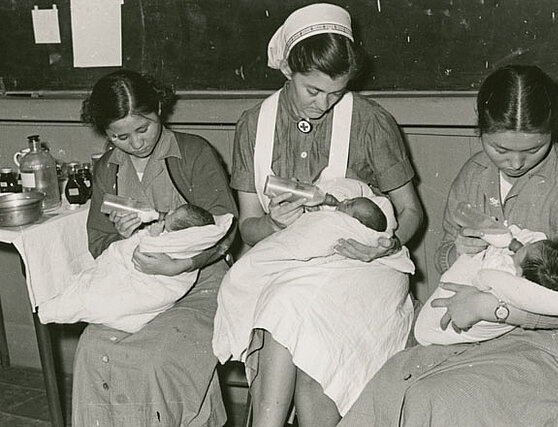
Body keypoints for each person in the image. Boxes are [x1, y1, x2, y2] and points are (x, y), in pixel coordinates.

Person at [338, 65, 558, 426]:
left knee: (433, 397)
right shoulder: (474, 174)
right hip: (473, 333)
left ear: (554, 131)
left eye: (534, 148)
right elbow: (442, 257)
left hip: (553, 351)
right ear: (480, 130)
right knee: (390, 382)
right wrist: (459, 251)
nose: (515, 162)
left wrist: (492, 308)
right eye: (500, 148)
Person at [231, 3, 423, 425]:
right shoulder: (253, 125)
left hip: (363, 263)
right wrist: (275, 223)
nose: (324, 103)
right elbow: (248, 225)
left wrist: (387, 244)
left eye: (336, 92)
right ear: (287, 71)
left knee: (297, 329)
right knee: (287, 303)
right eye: (312, 91)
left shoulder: (370, 121)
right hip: (287, 260)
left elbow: (410, 211)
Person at [73, 69, 238, 426]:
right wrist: (125, 240)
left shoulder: (193, 153)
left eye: (143, 129)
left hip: (200, 283)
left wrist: (182, 264)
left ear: (159, 109)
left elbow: (225, 233)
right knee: (92, 350)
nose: (136, 143)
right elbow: (99, 243)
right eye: (120, 137)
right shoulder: (108, 169)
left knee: (151, 359)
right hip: (137, 286)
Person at [38, 204, 234, 334]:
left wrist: (159, 244)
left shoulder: (180, 242)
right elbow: (103, 244)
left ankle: (54, 309)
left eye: (172, 214)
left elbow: (151, 249)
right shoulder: (107, 168)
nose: (168, 212)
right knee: (92, 286)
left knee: (95, 298)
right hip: (130, 271)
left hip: (176, 283)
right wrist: (126, 234)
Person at [414, 226, 558, 346]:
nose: (521, 244)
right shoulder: (529, 264)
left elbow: (481, 278)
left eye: (524, 249)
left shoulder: (506, 273)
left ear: (520, 272)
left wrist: (496, 248)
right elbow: (443, 255)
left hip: (485, 326)